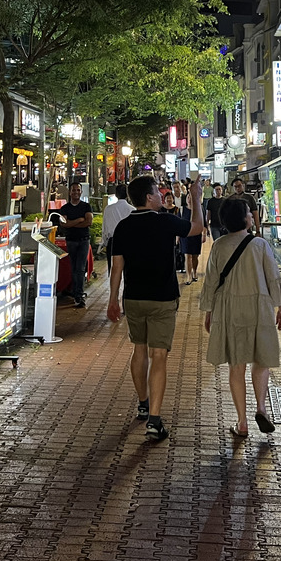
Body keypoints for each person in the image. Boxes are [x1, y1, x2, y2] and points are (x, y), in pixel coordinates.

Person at [109, 174, 204, 442]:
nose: (162, 196)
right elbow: (197, 227)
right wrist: (196, 198)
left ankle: (143, 403)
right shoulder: (165, 221)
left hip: (134, 297)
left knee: (139, 349)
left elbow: (117, 267)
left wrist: (113, 299)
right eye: (158, 192)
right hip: (162, 297)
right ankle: (155, 419)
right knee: (158, 355)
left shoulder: (124, 227)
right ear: (149, 197)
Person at [199, 197, 281, 437]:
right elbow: (273, 277)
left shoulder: (219, 245)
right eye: (249, 211)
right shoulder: (259, 244)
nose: (251, 214)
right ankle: (261, 407)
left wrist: (208, 311)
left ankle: (242, 422)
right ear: (245, 218)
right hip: (259, 308)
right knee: (261, 361)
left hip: (229, 310)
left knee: (236, 366)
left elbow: (211, 283)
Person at [56, 183, 93, 309]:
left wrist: (71, 223)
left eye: (78, 190)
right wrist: (79, 220)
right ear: (70, 192)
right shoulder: (65, 208)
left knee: (80, 268)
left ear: (81, 192)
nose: (76, 192)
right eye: (73, 190)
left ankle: (78, 294)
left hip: (84, 240)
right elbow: (64, 224)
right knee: (74, 268)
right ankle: (77, 293)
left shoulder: (86, 206)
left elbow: (89, 222)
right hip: (71, 240)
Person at [101, 184, 134, 273]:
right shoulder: (132, 210)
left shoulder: (108, 209)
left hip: (113, 241)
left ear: (116, 194)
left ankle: (113, 286)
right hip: (128, 241)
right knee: (128, 268)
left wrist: (104, 242)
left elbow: (105, 228)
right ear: (127, 195)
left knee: (113, 268)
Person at [179, 181, 203, 283]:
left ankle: (194, 271)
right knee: (187, 255)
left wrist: (205, 234)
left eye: (191, 197)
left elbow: (204, 223)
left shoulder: (199, 209)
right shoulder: (182, 209)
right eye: (188, 197)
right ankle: (189, 275)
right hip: (185, 234)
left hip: (196, 234)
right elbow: (179, 223)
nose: (189, 199)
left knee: (195, 256)